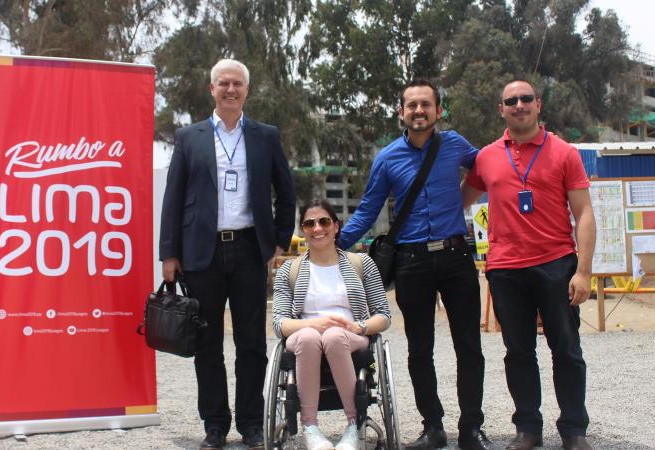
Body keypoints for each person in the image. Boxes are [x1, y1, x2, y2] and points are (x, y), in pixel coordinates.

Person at [337, 78, 491, 450]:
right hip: (411, 262)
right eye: (412, 105)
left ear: (439, 110)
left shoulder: (455, 145)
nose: (419, 111)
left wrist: (462, 200)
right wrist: (329, 245)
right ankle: (433, 427)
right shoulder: (387, 157)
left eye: (426, 105)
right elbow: (368, 211)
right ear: (401, 113)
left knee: (468, 345)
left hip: (456, 257)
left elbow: (487, 173)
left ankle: (471, 428)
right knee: (420, 348)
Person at [160, 58, 295, 450]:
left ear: (247, 90)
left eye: (237, 83)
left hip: (251, 251)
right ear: (212, 89)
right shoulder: (190, 137)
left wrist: (279, 242)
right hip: (201, 254)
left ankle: (252, 423)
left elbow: (285, 193)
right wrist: (169, 253)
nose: (230, 89)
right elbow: (173, 198)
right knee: (207, 343)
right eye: (223, 83)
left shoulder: (265, 136)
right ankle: (215, 425)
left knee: (251, 342)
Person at [462, 79, 596, 450]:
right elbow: (460, 199)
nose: (518, 105)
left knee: (566, 349)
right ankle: (528, 429)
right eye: (510, 101)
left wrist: (582, 271)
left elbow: (584, 213)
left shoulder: (564, 153)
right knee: (518, 352)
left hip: (556, 264)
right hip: (505, 269)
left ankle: (574, 430)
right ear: (501, 109)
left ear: (538, 105)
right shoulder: (486, 157)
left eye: (525, 99)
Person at [272, 198, 390, 450]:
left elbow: (383, 315)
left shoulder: (362, 263)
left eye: (324, 221)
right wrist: (314, 324)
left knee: (335, 336)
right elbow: (280, 323)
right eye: (309, 223)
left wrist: (359, 327)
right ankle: (310, 428)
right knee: (310, 337)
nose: (317, 228)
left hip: (350, 334)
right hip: (304, 336)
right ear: (302, 230)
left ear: (336, 226)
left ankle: (353, 425)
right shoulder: (288, 270)